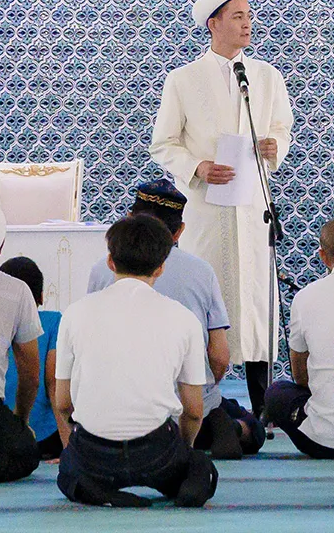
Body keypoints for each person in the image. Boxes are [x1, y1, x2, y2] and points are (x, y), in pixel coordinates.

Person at [149, 0, 295, 415]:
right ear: (213, 24)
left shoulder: (266, 76)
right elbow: (163, 143)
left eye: (249, 16)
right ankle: (199, 403)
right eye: (237, 17)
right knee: (206, 299)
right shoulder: (183, 79)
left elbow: (282, 128)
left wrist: (273, 146)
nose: (247, 24)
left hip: (253, 209)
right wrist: (198, 167)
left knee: (256, 305)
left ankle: (261, 406)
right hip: (207, 210)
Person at [87, 179, 262, 460]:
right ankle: (226, 427)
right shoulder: (200, 271)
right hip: (188, 410)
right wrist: (203, 391)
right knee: (250, 426)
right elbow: (219, 356)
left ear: (128, 219)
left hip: (116, 416)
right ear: (179, 231)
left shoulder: (99, 271)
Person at [56, 215, 218, 507]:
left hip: (94, 453)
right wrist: (184, 452)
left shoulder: (75, 313)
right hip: (156, 451)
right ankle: (187, 489)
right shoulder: (183, 318)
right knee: (200, 467)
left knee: (68, 470)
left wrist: (83, 438)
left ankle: (93, 488)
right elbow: (194, 411)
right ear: (161, 267)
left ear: (110, 262)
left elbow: (63, 403)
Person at [264, 217, 334, 458]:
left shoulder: (306, 297)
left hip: (323, 441)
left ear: (323, 256)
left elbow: (300, 376)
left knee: (277, 392)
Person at [0, 201, 42, 483]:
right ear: (0, 247)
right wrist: (20, 422)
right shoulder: (16, 291)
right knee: (23, 451)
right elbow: (30, 374)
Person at [0, 257, 65, 460]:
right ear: (41, 297)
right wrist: (68, 449)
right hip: (47, 438)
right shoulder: (54, 321)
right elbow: (54, 383)